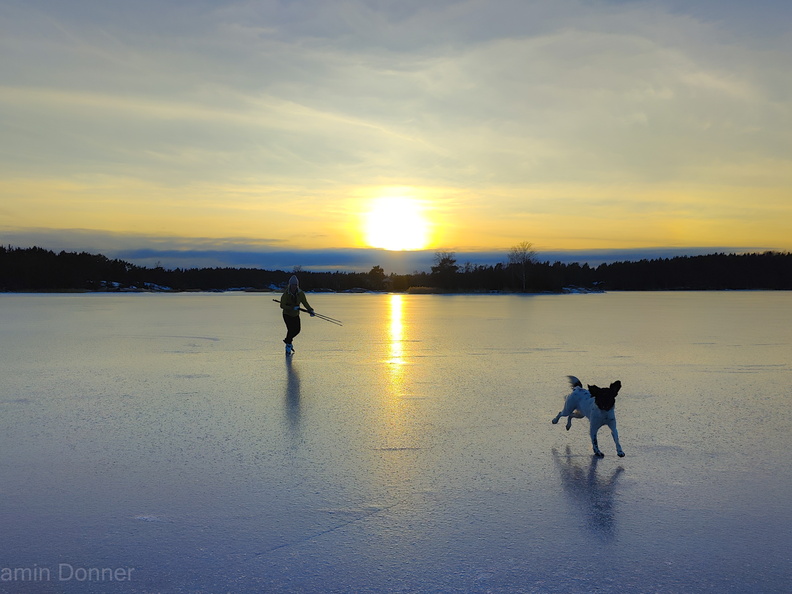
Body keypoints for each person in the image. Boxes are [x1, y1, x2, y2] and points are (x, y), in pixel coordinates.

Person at [279, 275, 314, 355]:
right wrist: (291, 308)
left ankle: (287, 340)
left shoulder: (300, 293)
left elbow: (305, 303)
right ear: (290, 285)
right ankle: (288, 345)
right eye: (292, 285)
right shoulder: (286, 294)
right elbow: (282, 305)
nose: (294, 287)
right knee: (291, 330)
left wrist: (310, 310)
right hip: (287, 314)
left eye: (295, 285)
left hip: (295, 315)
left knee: (297, 330)